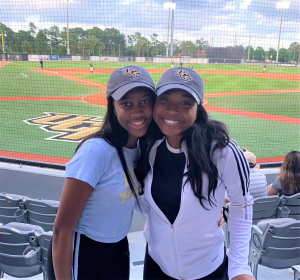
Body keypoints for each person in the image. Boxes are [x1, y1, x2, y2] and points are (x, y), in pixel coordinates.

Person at [136, 67, 254, 280]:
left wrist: (239, 267)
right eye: (165, 99)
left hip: (208, 270)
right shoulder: (147, 145)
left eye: (185, 103)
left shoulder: (222, 151)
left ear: (198, 108)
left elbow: (241, 204)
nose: (172, 110)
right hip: (156, 266)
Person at [47, 65, 156, 280]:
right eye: (126, 103)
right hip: (83, 250)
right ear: (112, 108)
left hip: (117, 248)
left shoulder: (144, 149)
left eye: (145, 101)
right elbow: (61, 230)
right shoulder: (96, 151)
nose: (137, 110)